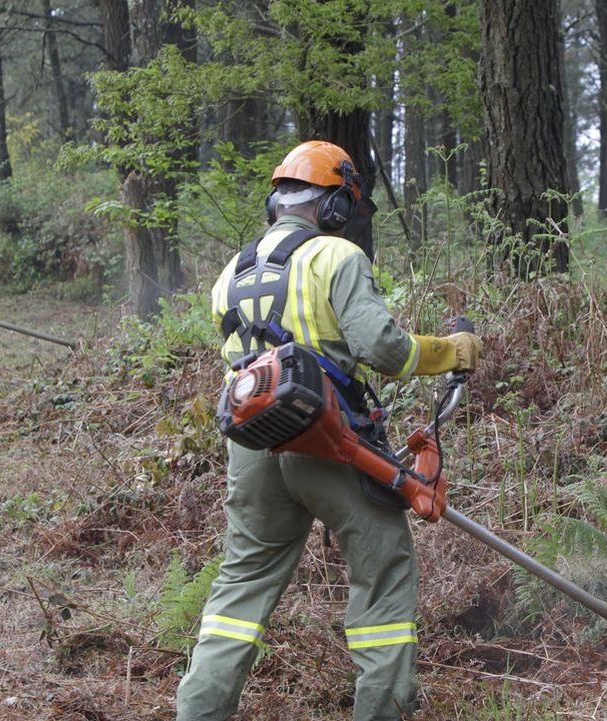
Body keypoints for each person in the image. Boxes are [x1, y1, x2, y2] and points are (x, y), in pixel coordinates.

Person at [177, 140, 482, 721]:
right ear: (336, 204)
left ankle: (198, 712)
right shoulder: (335, 257)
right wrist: (450, 351)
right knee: (383, 570)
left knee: (240, 586)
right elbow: (383, 349)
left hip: (253, 448)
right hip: (329, 437)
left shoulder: (230, 274)